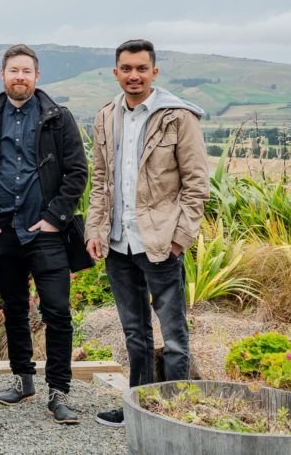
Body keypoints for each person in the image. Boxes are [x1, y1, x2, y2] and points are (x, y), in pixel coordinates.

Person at [85, 39, 209, 428]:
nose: (134, 75)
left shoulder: (178, 117)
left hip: (160, 243)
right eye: (126, 68)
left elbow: (197, 184)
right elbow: (101, 180)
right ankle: (137, 410)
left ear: (154, 72)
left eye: (141, 68)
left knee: (173, 335)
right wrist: (94, 229)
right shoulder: (107, 117)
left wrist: (180, 238)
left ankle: (174, 414)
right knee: (134, 333)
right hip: (118, 243)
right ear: (116, 72)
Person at [0, 45, 88, 424]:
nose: (19, 77)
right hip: (3, 230)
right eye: (13, 71)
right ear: (2, 75)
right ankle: (23, 380)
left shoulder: (58, 118)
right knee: (15, 308)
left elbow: (77, 172)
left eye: (26, 71)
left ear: (37, 76)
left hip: (46, 232)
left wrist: (55, 217)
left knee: (57, 311)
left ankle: (59, 391)